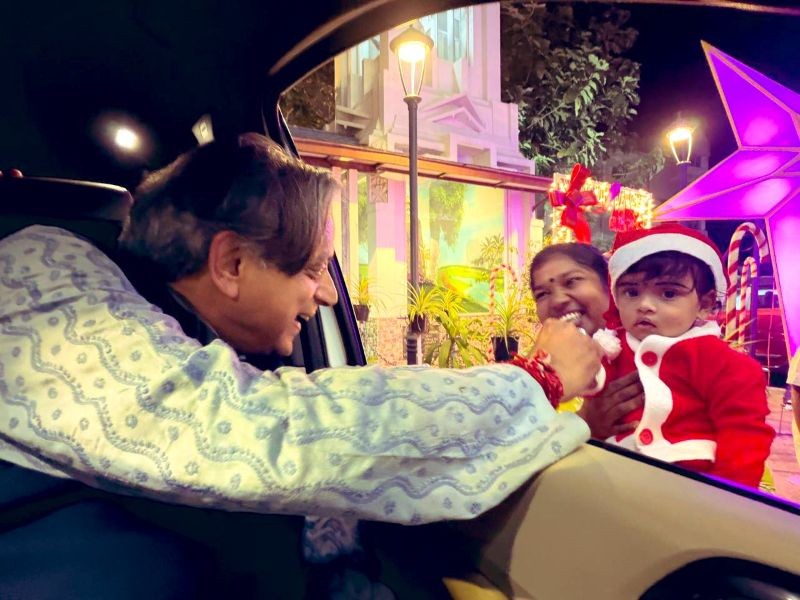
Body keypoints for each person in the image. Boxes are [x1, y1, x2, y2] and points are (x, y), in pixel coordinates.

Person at [0, 134, 603, 594]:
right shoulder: (40, 268)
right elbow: (258, 431)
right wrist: (536, 379)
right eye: (314, 268)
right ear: (232, 264)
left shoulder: (198, 345)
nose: (330, 294)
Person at [592, 224, 774, 488]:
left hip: (692, 483)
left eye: (668, 293)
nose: (644, 305)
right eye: (631, 292)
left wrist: (727, 498)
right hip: (614, 475)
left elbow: (743, 436)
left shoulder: (722, 363)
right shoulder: (610, 349)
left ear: (705, 304)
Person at [529, 242, 645, 439]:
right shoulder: (541, 365)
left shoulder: (651, 347)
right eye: (542, 294)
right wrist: (588, 424)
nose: (558, 300)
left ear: (609, 286)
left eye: (572, 281)